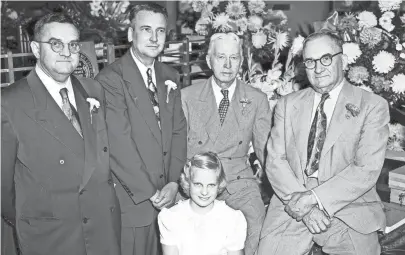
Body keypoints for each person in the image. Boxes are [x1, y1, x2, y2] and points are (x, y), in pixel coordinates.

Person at [258, 31, 389, 255]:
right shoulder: (287, 105)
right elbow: (275, 161)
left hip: (348, 203)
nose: (318, 69)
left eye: (326, 58)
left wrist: (314, 198)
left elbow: (365, 169)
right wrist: (305, 207)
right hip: (292, 200)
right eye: (310, 61)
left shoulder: (372, 106)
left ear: (344, 61)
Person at [1, 13, 121, 255]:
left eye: (73, 44)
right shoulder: (10, 103)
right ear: (36, 48)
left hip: (103, 229)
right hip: (53, 236)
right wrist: (37, 219)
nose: (67, 51)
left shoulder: (93, 89)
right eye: (56, 44)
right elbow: (3, 188)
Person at [95, 3, 187, 255]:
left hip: (169, 196)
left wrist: (173, 181)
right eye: (146, 29)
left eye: (160, 31)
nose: (154, 38)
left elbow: (179, 131)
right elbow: (118, 144)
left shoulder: (170, 75)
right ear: (130, 33)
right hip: (134, 199)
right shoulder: (110, 80)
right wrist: (151, 192)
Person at [181, 32, 272, 255]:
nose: (228, 64)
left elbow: (266, 153)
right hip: (196, 181)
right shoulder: (187, 97)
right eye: (221, 57)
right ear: (208, 60)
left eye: (234, 58)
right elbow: (175, 150)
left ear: (241, 61)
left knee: (258, 223)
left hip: (238, 182)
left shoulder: (256, 99)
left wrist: (283, 190)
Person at [158, 151, 247, 255]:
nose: (204, 192)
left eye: (211, 185)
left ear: (219, 184)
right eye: (198, 184)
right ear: (187, 182)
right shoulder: (171, 217)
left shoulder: (232, 218)